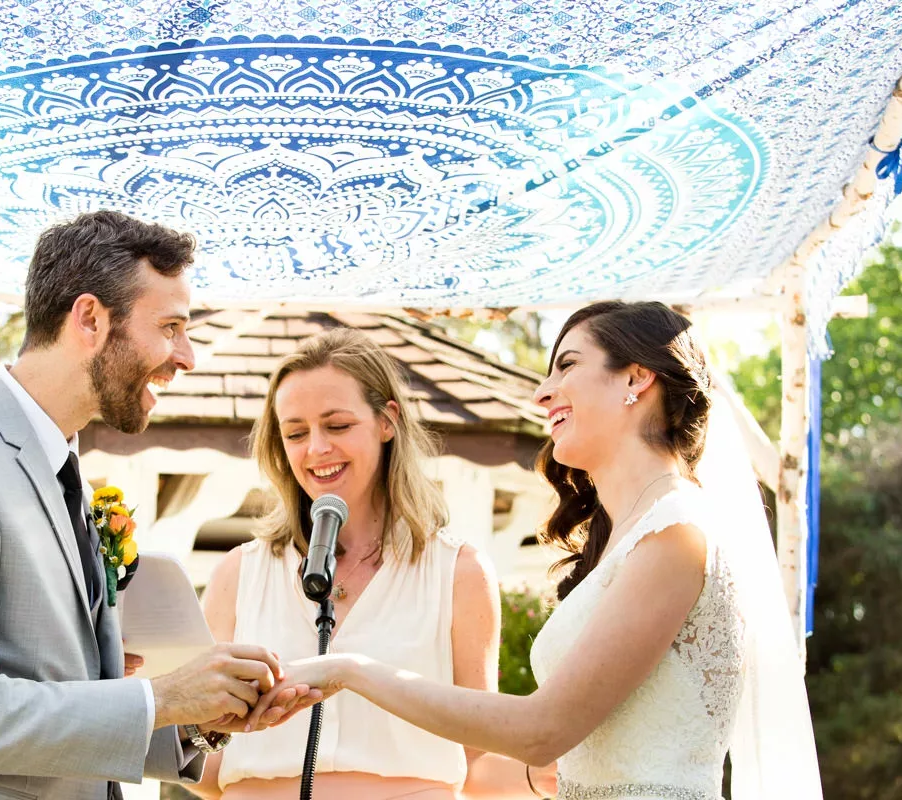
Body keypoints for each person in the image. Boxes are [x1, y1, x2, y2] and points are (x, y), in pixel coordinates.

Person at [251, 301, 823, 800]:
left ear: (636, 380)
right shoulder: (634, 536)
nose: (542, 391)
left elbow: (543, 730)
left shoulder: (675, 531)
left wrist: (352, 670)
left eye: (567, 365)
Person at [0, 211, 316, 800]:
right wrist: (162, 697)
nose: (187, 355)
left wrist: (196, 715)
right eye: (170, 326)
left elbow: (55, 705)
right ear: (90, 319)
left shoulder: (64, 474)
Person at [186, 328, 557, 800]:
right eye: (295, 433)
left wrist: (540, 778)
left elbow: (474, 761)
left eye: (337, 426)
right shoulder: (236, 575)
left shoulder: (458, 572)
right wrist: (181, 722)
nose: (316, 448)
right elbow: (210, 770)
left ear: (387, 422)